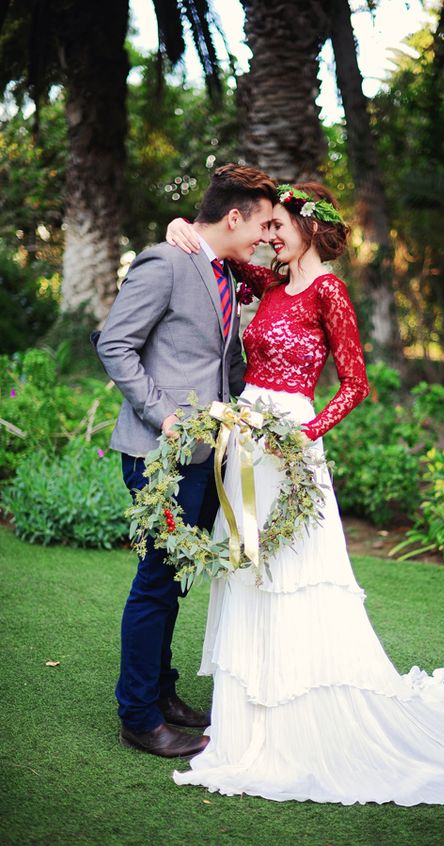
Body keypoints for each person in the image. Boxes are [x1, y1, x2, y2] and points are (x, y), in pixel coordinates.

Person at [163, 184, 444, 804]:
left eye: (278, 227)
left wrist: (304, 433)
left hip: (291, 446)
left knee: (293, 571)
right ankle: (246, 720)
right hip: (246, 440)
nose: (268, 236)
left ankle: (300, 717)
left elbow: (356, 383)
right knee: (248, 567)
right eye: (265, 228)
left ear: (307, 227)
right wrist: (176, 225)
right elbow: (211, 249)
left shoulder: (331, 292)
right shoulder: (266, 284)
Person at [95, 164, 277, 758]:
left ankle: (163, 692)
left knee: (175, 580)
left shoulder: (220, 269)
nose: (263, 236)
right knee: (155, 583)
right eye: (261, 223)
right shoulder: (166, 261)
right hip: (158, 456)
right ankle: (139, 717)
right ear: (234, 216)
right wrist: (163, 414)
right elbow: (114, 343)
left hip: (205, 456)